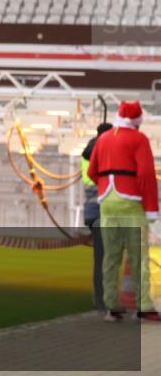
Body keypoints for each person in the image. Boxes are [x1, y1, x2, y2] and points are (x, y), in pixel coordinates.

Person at [87, 101, 160, 322]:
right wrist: (151, 210)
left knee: (111, 257)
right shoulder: (139, 139)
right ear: (137, 121)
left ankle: (112, 307)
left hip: (107, 203)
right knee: (139, 257)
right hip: (131, 202)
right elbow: (146, 175)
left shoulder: (104, 138)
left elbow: (92, 171)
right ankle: (144, 306)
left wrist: (105, 188)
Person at [81, 122, 112, 313]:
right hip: (102, 211)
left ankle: (102, 298)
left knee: (102, 257)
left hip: (93, 212)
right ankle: (102, 299)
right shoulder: (102, 151)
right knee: (106, 258)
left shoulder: (89, 150)